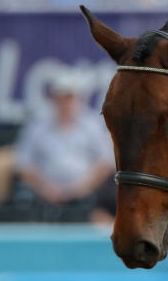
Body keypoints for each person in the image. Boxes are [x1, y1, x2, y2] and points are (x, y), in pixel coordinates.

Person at [13, 73, 115, 221]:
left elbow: (106, 162)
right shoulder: (37, 127)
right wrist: (45, 188)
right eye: (61, 97)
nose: (65, 103)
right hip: (43, 194)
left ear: (79, 99)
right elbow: (22, 163)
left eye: (69, 97)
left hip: (89, 194)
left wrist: (81, 187)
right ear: (53, 99)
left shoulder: (93, 125)